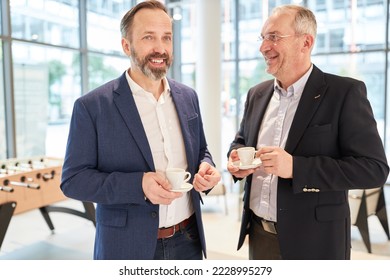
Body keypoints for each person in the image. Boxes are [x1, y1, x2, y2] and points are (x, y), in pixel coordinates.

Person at [60, 0, 221, 260]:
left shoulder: (187, 97)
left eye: (166, 38)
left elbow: (202, 150)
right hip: (127, 248)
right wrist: (138, 184)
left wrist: (206, 168)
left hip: (188, 241)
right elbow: (73, 181)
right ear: (126, 45)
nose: (160, 48)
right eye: (148, 37)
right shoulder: (92, 107)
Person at [227, 4, 389, 260]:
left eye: (274, 37)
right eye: (263, 38)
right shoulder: (256, 94)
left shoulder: (344, 93)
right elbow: (241, 142)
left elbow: (374, 169)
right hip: (260, 237)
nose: (263, 47)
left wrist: (296, 168)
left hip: (316, 243)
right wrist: (236, 159)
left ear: (306, 42)